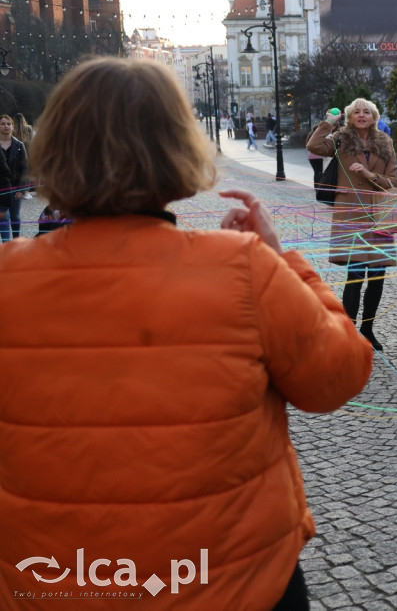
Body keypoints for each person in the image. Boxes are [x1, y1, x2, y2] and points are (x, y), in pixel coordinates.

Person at [0, 57, 374, 608]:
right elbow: (337, 376)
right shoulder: (243, 267)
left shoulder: (8, 279)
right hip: (234, 580)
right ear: (177, 146)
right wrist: (284, 261)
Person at [306, 98, 397, 351]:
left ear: (374, 116)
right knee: (355, 275)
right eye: (356, 111)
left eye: (366, 111)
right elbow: (313, 145)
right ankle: (349, 331)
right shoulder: (340, 139)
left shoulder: (385, 142)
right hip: (350, 215)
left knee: (378, 275)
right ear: (349, 117)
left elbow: (394, 181)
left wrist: (369, 175)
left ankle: (368, 329)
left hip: (378, 214)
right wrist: (328, 122)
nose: (361, 115)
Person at [0, 114, 29, 239]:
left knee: (15, 217)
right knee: (3, 217)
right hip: (1, 188)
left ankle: (16, 242)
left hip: (15, 187)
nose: (6, 126)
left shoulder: (19, 145)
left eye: (8, 124)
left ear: (12, 127)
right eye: (3, 123)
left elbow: (25, 169)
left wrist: (22, 189)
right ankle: (7, 247)